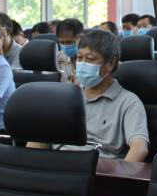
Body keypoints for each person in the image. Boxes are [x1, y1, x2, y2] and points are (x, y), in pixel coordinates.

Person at [64, 28, 149, 162]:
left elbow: (140, 147)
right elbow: (41, 138)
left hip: (98, 168)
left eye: (90, 59)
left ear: (111, 63)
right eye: (79, 58)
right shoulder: (66, 96)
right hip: (57, 164)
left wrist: (121, 173)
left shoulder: (128, 102)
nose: (82, 64)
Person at [55, 18, 83, 83]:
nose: (65, 46)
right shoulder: (56, 58)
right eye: (62, 42)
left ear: (81, 38)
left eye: (69, 42)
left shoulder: (91, 60)